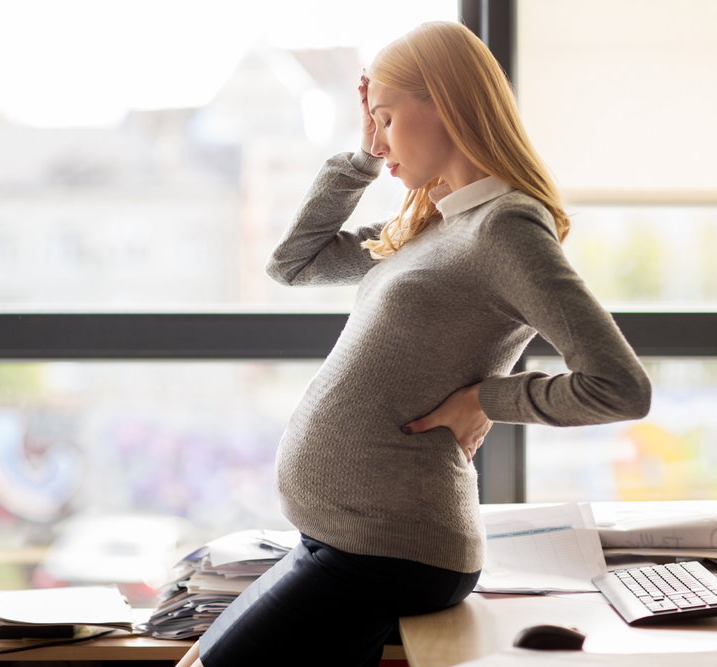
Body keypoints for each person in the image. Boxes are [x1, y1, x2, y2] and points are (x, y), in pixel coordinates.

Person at [177, 20, 651, 667]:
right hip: (337, 537)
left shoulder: (505, 227)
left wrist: (486, 396)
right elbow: (295, 262)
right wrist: (363, 156)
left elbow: (619, 385)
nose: (382, 140)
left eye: (388, 119)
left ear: (446, 103)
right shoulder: (431, 223)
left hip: (391, 550)